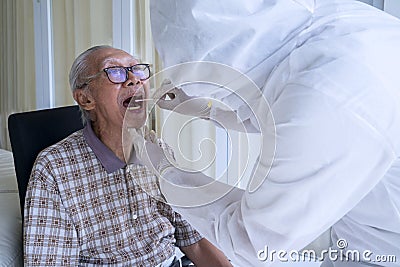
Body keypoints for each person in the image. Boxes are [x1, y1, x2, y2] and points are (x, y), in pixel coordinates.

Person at [130, 0, 400, 266]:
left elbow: (254, 245)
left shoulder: (329, 97)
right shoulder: (329, 28)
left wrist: (167, 174)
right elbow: (278, 107)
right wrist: (205, 108)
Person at [23, 45, 233, 267]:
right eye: (114, 71)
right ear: (85, 99)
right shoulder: (53, 169)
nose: (133, 79)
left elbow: (196, 241)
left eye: (137, 69)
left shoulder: (158, 152)